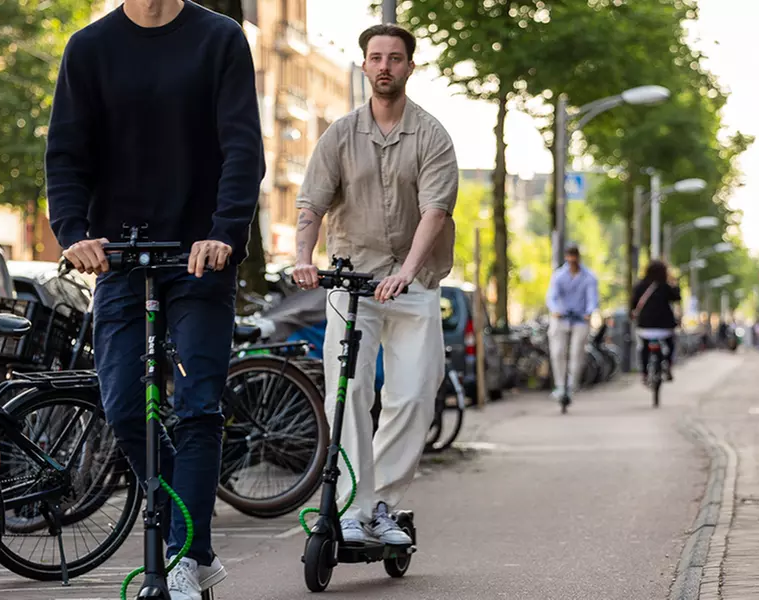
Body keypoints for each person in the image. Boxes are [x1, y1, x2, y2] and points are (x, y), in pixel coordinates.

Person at [44, 1, 264, 598]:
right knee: (122, 405)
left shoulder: (219, 38)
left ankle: (185, 558)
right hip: (119, 258)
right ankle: (191, 534)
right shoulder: (89, 48)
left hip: (200, 257)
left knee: (196, 407)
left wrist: (225, 233)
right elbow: (65, 155)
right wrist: (73, 233)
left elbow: (243, 148)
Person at [291, 23, 457, 546]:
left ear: (410, 67)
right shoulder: (340, 135)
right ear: (365, 65)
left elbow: (435, 211)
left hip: (413, 281)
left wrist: (406, 271)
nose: (385, 66)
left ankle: (380, 502)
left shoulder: (431, 135)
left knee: (415, 393)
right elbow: (311, 203)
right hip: (353, 280)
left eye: (395, 58)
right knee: (349, 392)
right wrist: (302, 258)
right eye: (376, 57)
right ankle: (352, 506)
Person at [545, 244, 599, 401]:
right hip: (561, 318)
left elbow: (592, 298)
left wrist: (589, 312)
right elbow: (552, 296)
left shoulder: (589, 277)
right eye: (569, 257)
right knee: (557, 351)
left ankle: (572, 384)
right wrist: (555, 310)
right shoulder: (559, 276)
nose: (572, 261)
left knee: (577, 352)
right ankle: (560, 385)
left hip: (580, 319)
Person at [630, 260, 681, 384]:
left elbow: (633, 304)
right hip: (665, 327)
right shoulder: (665, 286)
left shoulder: (640, 286)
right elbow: (677, 297)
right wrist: (674, 283)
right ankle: (668, 364)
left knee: (644, 348)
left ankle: (644, 373)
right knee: (670, 344)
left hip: (645, 326)